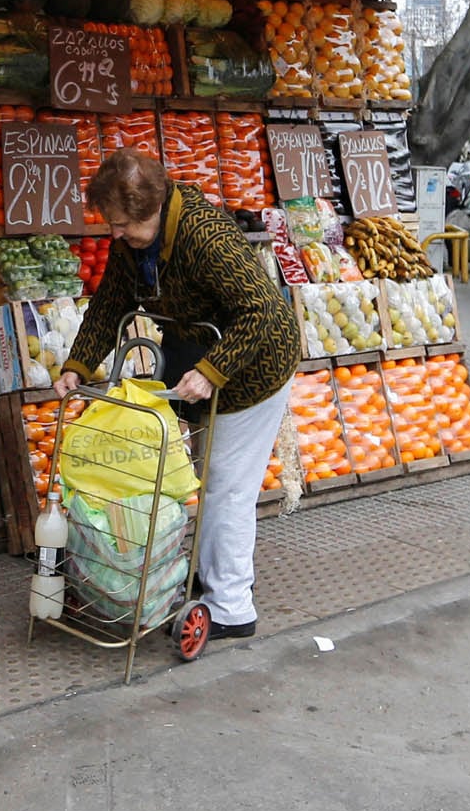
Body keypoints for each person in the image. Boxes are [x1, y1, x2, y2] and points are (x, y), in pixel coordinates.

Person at [55, 148, 301, 640]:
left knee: (227, 485)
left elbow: (260, 311)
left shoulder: (206, 236)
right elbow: (109, 304)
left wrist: (213, 371)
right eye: (112, 223)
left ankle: (231, 606)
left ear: (152, 208)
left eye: (122, 223)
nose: (114, 233)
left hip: (255, 368)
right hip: (198, 360)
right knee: (206, 480)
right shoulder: (134, 243)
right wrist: (78, 365)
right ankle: (203, 581)